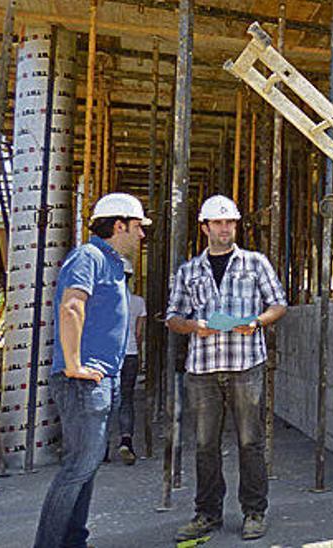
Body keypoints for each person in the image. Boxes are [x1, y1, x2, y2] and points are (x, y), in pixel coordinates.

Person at [166, 195, 287, 541]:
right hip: (203, 368)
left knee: (251, 442)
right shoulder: (189, 271)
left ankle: (254, 512)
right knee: (205, 445)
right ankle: (206, 514)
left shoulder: (255, 263)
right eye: (218, 223)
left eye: (230, 222)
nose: (225, 228)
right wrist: (195, 326)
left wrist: (257, 322)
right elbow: (173, 318)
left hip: (245, 364)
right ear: (204, 227)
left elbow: (278, 303)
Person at [34, 193, 149, 548]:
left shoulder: (112, 263)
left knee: (86, 468)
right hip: (84, 382)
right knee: (76, 469)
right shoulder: (89, 256)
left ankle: (73, 541)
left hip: (102, 379)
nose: (142, 236)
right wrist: (74, 366)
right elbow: (71, 306)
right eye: (138, 227)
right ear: (119, 225)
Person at [116, 260, 145, 465]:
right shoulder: (138, 302)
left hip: (109, 357)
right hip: (131, 354)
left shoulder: (105, 301)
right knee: (127, 399)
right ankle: (126, 441)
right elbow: (138, 333)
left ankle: (102, 449)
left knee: (106, 401)